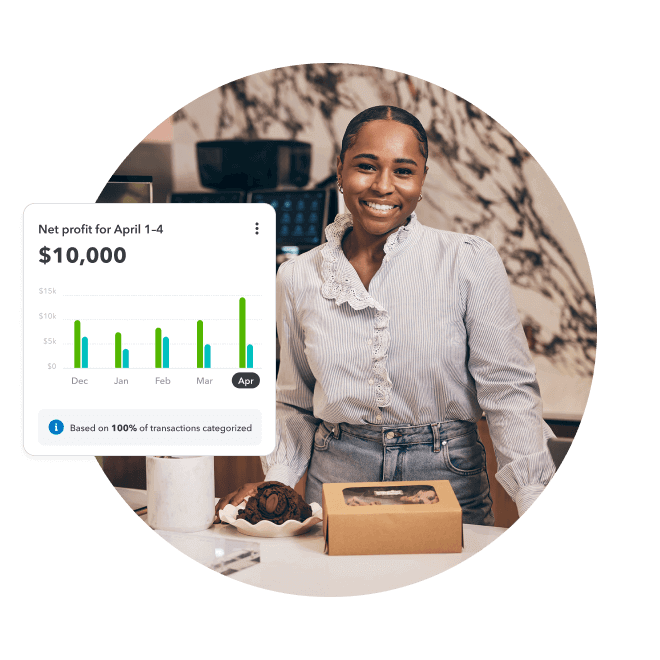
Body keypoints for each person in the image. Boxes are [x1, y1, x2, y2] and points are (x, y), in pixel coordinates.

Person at [216, 105, 557, 525]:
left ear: (422, 178)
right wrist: (280, 481)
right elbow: (293, 400)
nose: (382, 186)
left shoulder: (469, 262)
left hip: (448, 474)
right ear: (340, 170)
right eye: (366, 166)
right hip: (336, 474)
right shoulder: (297, 276)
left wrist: (531, 494)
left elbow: (507, 392)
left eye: (403, 170)